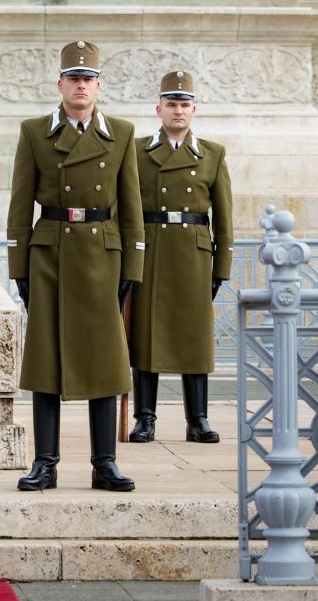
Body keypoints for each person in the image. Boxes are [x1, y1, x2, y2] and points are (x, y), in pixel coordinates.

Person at [6, 39, 143, 492]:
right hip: (51, 254)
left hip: (102, 254)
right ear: (60, 84)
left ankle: (105, 463)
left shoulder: (121, 133)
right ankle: (45, 462)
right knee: (47, 360)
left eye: (88, 79)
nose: (81, 86)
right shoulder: (34, 131)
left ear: (98, 86)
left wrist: (133, 267)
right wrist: (19, 266)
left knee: (104, 362)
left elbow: (131, 206)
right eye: (73, 78)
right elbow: (20, 202)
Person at [128, 69, 232, 444]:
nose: (178, 111)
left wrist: (222, 266)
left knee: (193, 337)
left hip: (193, 251)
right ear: (159, 109)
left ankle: (197, 419)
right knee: (146, 335)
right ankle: (145, 418)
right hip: (151, 249)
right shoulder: (136, 150)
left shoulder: (212, 154)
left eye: (184, 104)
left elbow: (223, 214)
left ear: (194, 110)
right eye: (171, 104)